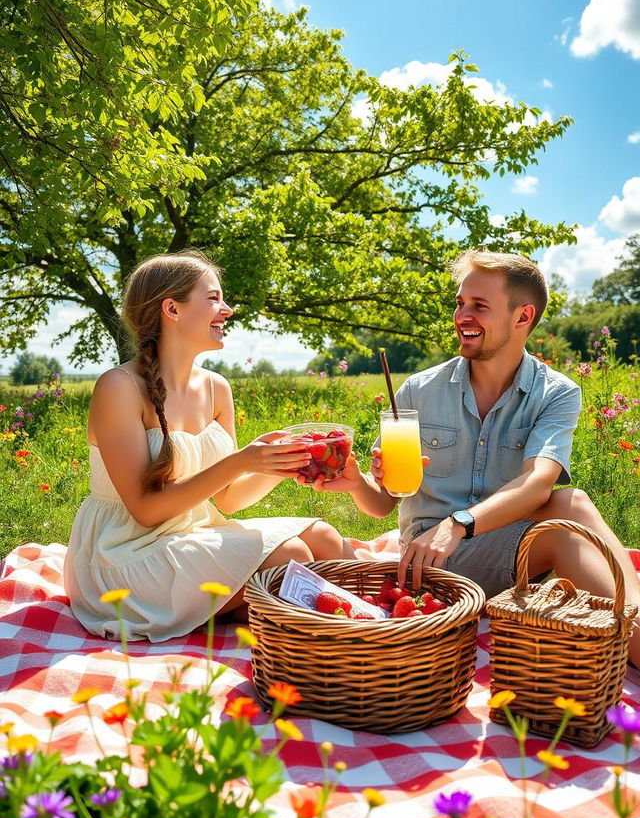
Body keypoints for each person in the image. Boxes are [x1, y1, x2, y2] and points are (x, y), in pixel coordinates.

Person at [306, 250, 640, 666]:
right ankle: (634, 642)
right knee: (565, 528)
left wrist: (459, 524)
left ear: (522, 317)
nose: (462, 315)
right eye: (460, 303)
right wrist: (359, 483)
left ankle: (634, 617)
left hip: (492, 541)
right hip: (432, 558)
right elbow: (384, 503)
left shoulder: (556, 392)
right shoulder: (418, 391)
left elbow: (540, 482)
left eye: (479, 306)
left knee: (571, 500)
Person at [64, 249, 354, 642]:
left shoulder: (217, 388)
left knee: (325, 537)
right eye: (214, 298)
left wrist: (278, 463)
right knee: (292, 558)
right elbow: (146, 511)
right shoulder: (119, 388)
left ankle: (371, 637)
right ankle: (321, 643)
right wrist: (240, 460)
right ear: (173, 309)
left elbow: (229, 500)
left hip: (191, 535)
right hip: (122, 556)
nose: (227, 309)